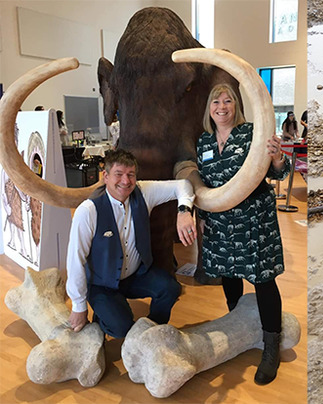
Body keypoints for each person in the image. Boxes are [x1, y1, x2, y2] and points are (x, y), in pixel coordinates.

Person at [196, 83, 290, 385]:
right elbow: (201, 182)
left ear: (236, 106)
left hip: (253, 222)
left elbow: (278, 172)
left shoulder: (252, 133)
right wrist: (198, 213)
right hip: (220, 223)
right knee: (229, 276)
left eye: (228, 101)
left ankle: (271, 345)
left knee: (263, 280)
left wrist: (277, 158)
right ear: (209, 109)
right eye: (216, 102)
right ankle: (237, 324)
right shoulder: (204, 142)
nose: (222, 107)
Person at [66, 149, 198, 338]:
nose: (125, 181)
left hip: (136, 276)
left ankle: (150, 331)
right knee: (120, 328)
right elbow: (75, 260)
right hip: (102, 284)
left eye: (131, 175)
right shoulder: (87, 211)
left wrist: (184, 211)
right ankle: (104, 316)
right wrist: (78, 306)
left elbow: (183, 185)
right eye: (118, 174)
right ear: (106, 176)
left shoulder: (143, 192)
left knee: (170, 288)